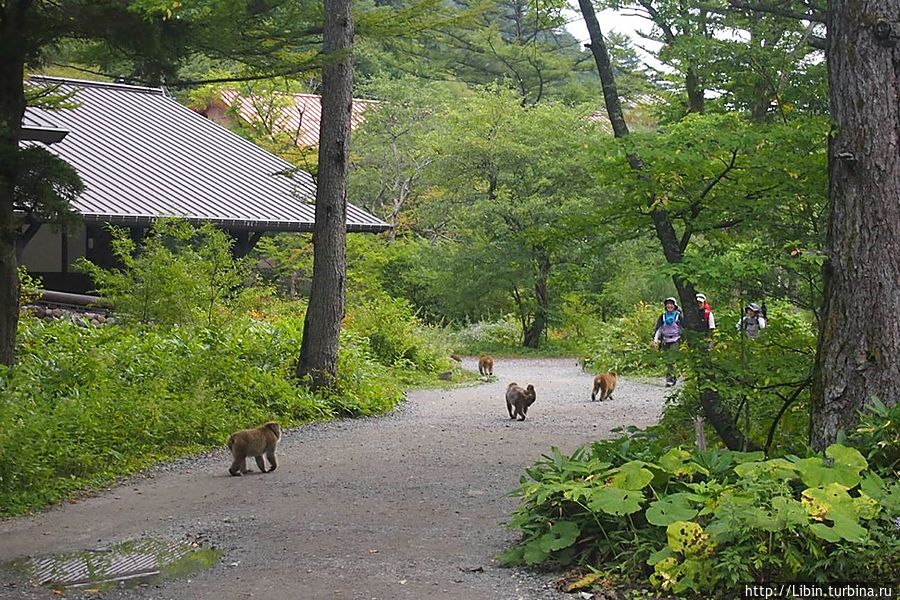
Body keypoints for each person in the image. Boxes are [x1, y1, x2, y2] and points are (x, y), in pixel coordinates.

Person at [653, 297, 683, 387]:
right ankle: (672, 377)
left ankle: (671, 378)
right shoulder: (662, 316)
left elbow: (683, 328)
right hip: (665, 340)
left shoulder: (678, 316)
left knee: (671, 358)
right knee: (667, 360)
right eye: (668, 304)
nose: (669, 306)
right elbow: (659, 328)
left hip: (675, 339)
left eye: (671, 304)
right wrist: (656, 339)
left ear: (675, 306)